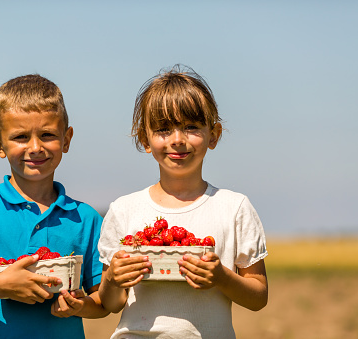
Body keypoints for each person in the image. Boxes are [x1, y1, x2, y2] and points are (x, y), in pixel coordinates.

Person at [97, 65, 268, 338]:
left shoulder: (233, 208)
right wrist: (113, 278)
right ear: (145, 139)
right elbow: (112, 303)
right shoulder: (124, 210)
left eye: (190, 127)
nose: (177, 140)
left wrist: (222, 278)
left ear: (214, 135)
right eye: (163, 129)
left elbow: (258, 297)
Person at [0, 74, 109, 338]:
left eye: (47, 134)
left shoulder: (86, 218)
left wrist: (78, 306)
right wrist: (0, 285)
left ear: (67, 139)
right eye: (20, 137)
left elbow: (102, 302)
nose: (35, 147)